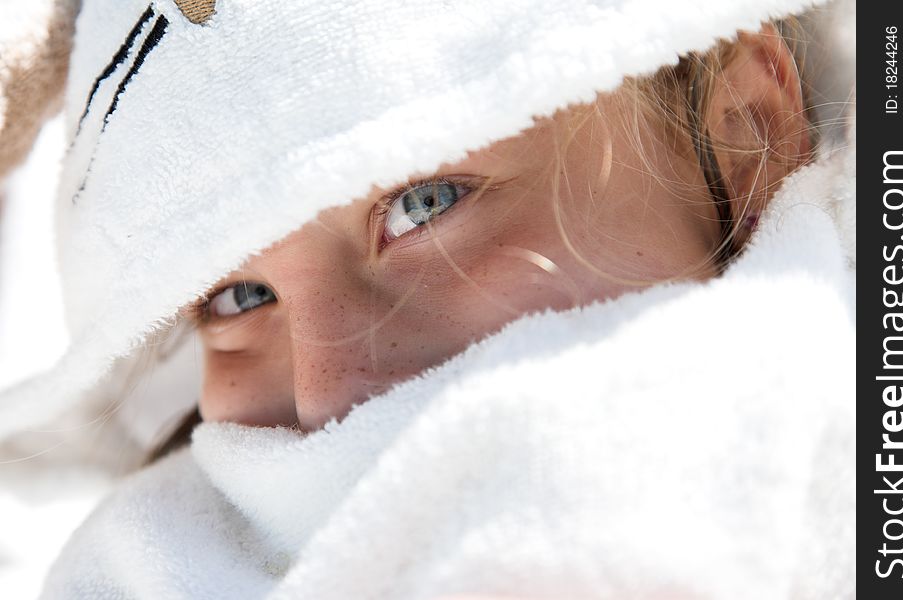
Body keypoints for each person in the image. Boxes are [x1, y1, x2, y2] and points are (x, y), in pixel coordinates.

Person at [0, 0, 855, 597]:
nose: (327, 394)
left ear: (745, 133)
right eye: (236, 298)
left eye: (425, 204)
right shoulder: (147, 561)